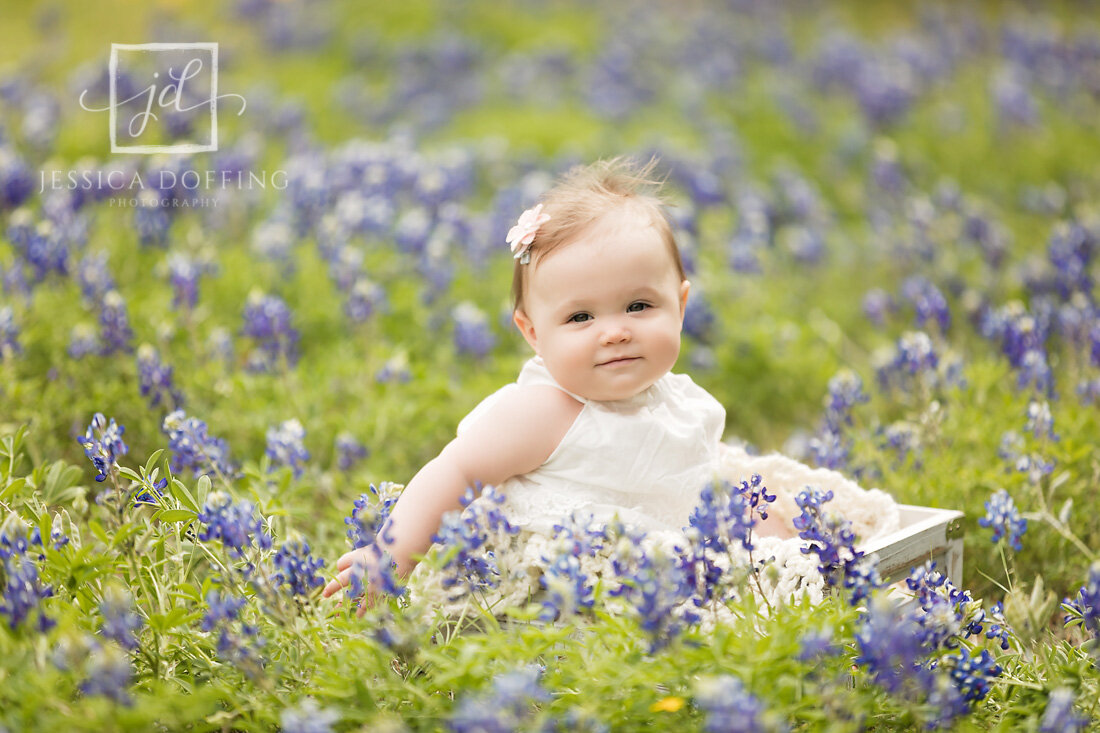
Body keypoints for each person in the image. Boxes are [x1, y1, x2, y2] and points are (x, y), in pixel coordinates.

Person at [322, 157, 898, 608]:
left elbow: (701, 473)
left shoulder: (677, 398)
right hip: (581, 573)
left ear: (682, 304)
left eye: (639, 305)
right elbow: (455, 471)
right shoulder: (540, 411)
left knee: (782, 520)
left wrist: (778, 522)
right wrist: (390, 553)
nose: (614, 332)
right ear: (531, 332)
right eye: (580, 317)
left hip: (679, 541)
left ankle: (826, 586)